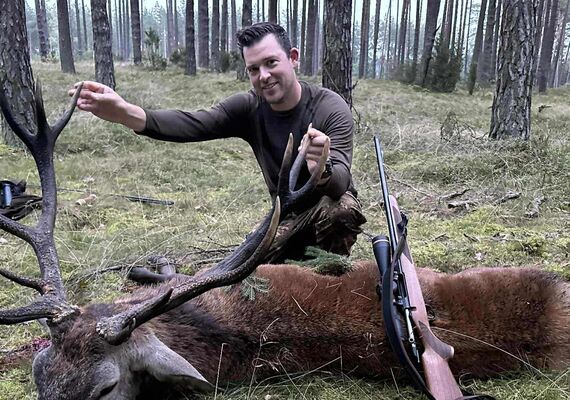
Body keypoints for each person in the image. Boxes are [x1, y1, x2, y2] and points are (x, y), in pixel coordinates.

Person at [69, 22, 366, 263]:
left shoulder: (329, 108)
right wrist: (126, 113)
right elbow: (194, 123)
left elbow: (341, 183)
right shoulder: (249, 108)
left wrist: (322, 168)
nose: (263, 76)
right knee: (243, 276)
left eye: (271, 63)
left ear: (293, 58)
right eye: (253, 69)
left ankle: (331, 275)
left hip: (325, 210)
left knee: (340, 210)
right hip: (284, 217)